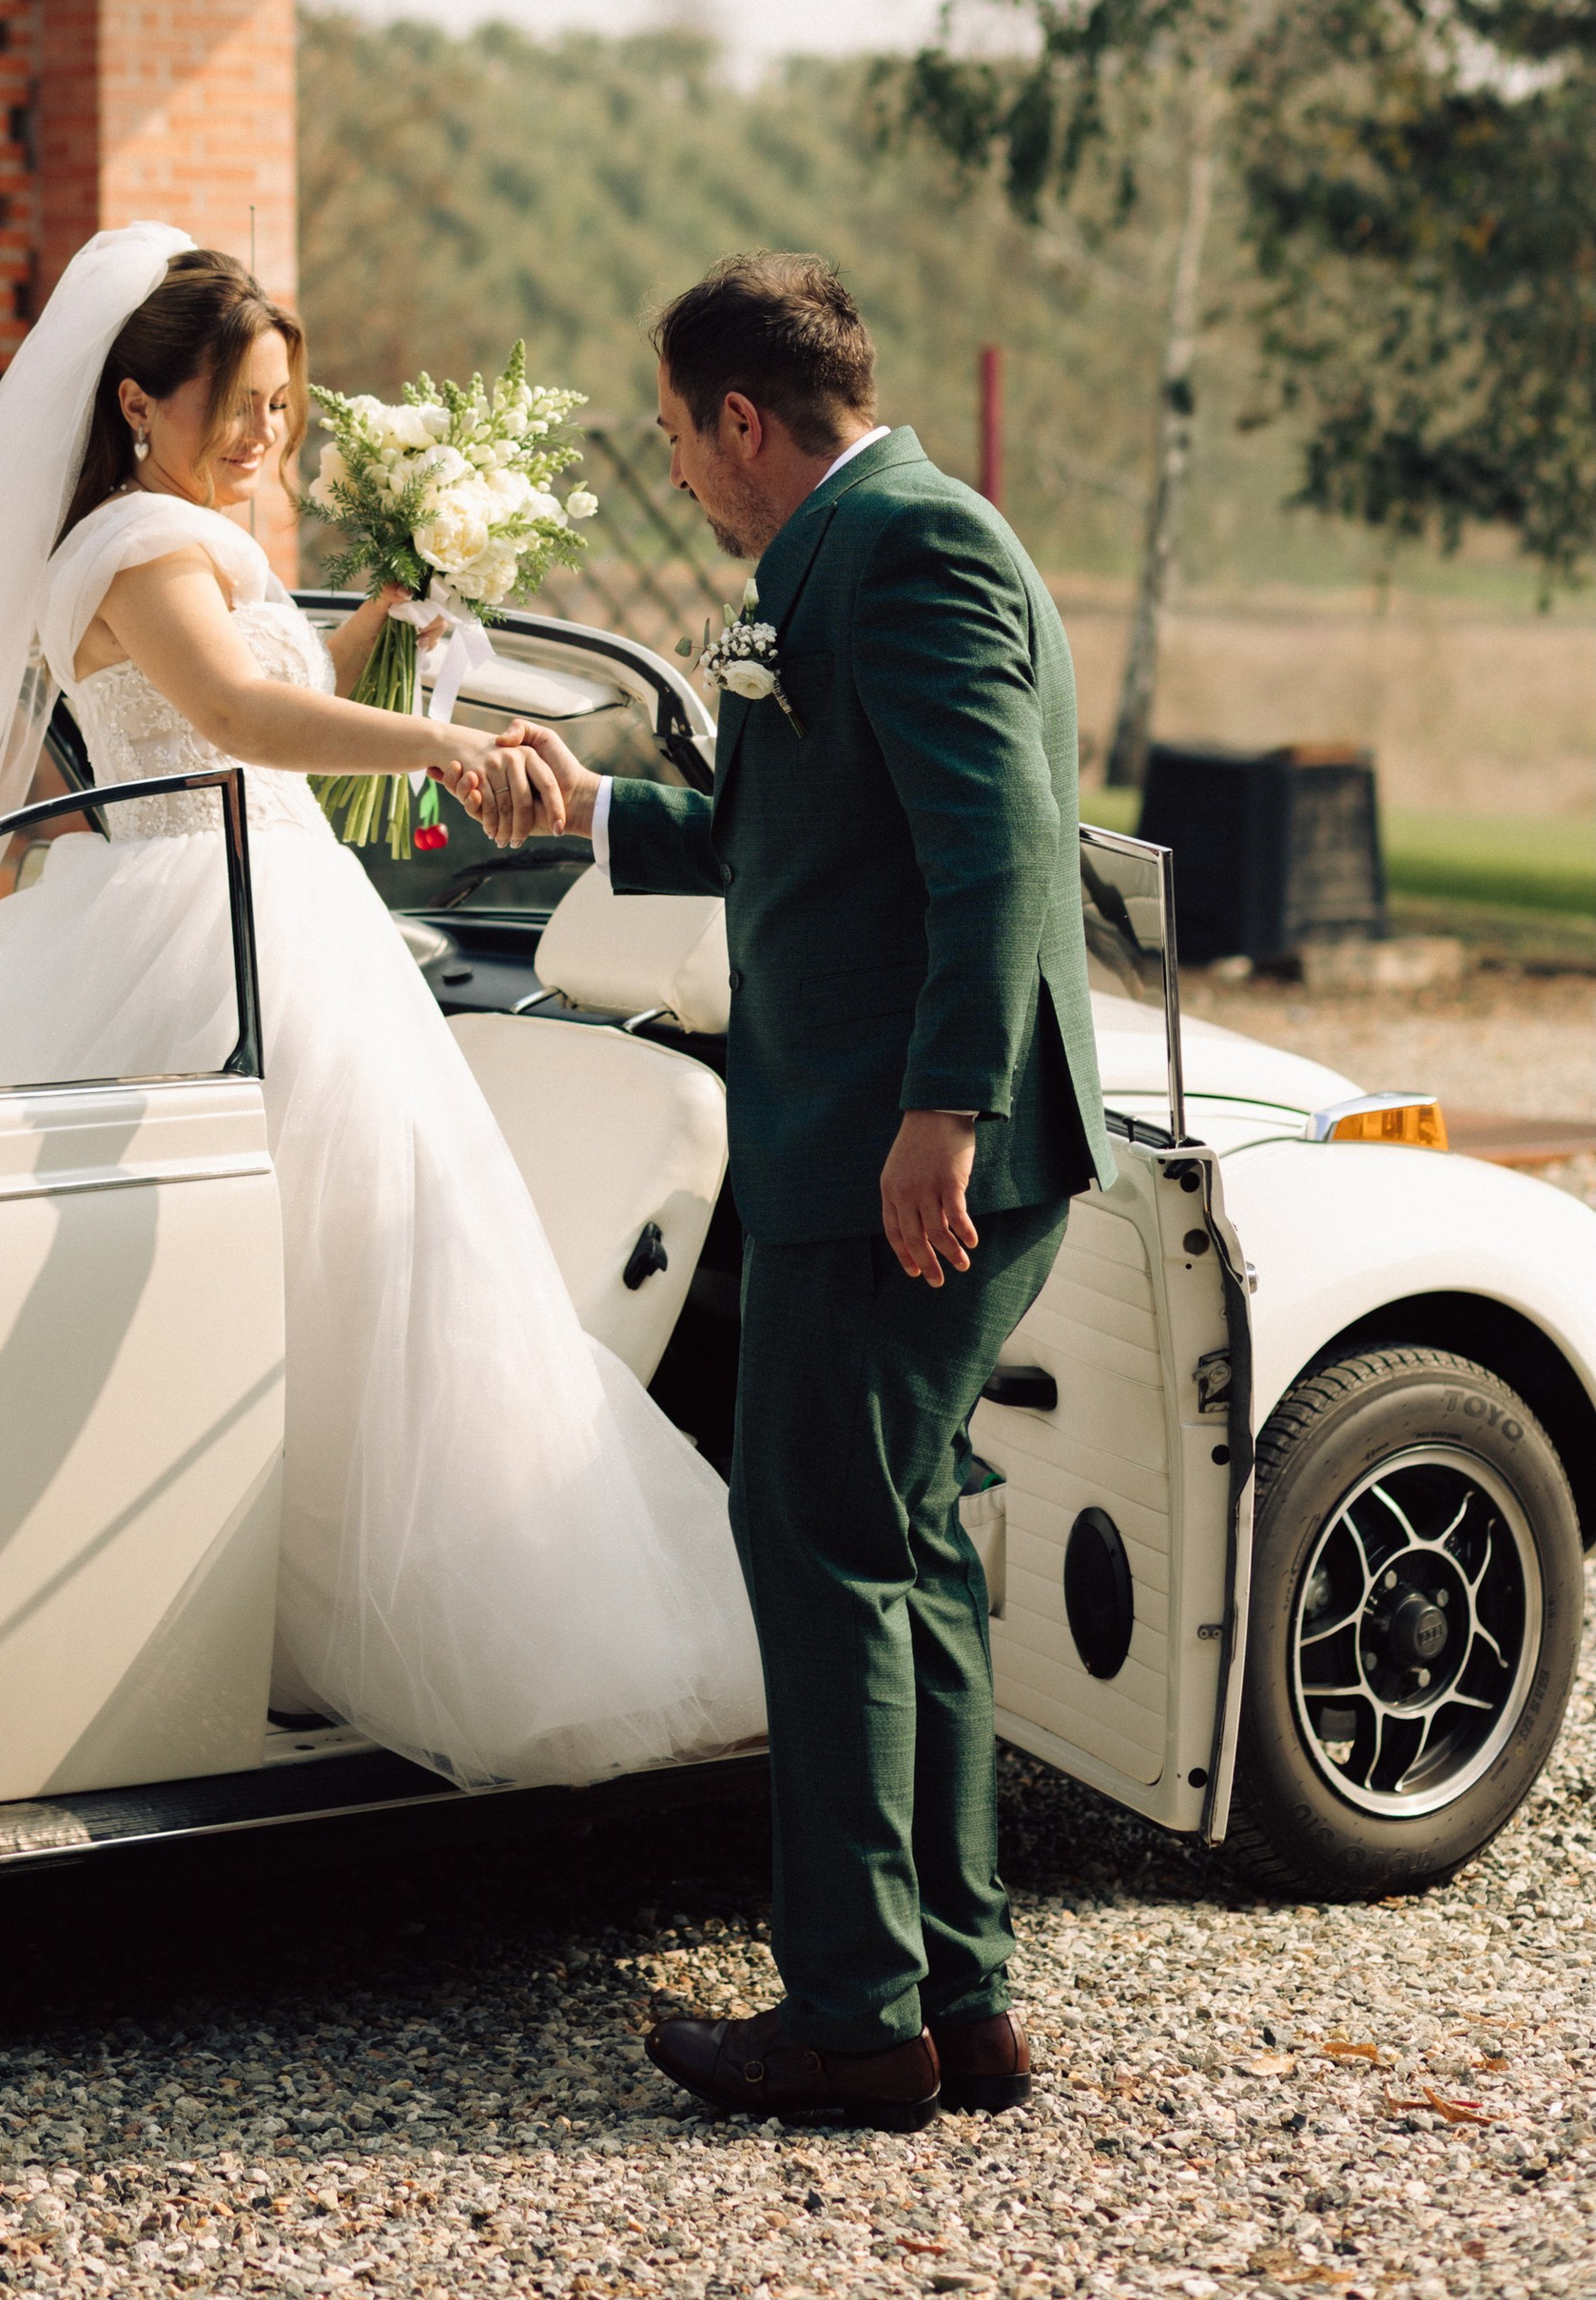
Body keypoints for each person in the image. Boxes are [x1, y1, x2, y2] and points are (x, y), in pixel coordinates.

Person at [0, 221, 765, 1792]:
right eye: (239, 404)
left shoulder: (181, 541)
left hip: (271, 907)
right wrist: (445, 753)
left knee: (365, 1273)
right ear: (136, 404)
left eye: (285, 406)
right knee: (357, 1270)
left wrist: (391, 613)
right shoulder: (132, 550)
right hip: (209, 922)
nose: (267, 435)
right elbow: (238, 715)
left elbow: (280, 671)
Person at [481, 251, 1111, 2133]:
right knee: (896, 1540)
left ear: (736, 415)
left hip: (901, 1151)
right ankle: (953, 1999)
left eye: (673, 428)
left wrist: (940, 1111)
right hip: (864, 1132)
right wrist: (582, 809)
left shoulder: (911, 548)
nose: (675, 462)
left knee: (820, 1539)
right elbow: (791, 836)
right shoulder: (831, 559)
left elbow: (995, 851)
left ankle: (848, 2019)